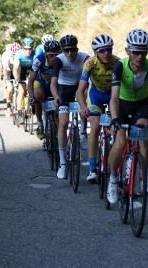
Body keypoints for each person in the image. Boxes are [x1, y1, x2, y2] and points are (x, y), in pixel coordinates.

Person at [106, 29, 148, 204]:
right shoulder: (120, 66)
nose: (140, 56)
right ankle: (113, 180)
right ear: (128, 51)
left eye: (144, 52)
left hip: (141, 106)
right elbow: (113, 97)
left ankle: (143, 178)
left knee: (144, 137)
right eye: (136, 52)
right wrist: (114, 119)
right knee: (120, 143)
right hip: (122, 105)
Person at [76, 34, 120, 183]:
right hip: (96, 95)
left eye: (108, 49)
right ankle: (92, 169)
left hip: (113, 96)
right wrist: (83, 108)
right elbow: (80, 90)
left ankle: (114, 158)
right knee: (95, 127)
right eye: (102, 51)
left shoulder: (118, 63)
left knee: (115, 127)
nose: (106, 53)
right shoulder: (89, 64)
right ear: (95, 53)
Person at [50, 34, 90, 179]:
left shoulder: (86, 58)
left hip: (80, 87)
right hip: (63, 89)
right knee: (63, 123)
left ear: (77, 49)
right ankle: (62, 162)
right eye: (66, 50)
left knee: (85, 103)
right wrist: (56, 98)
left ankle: (83, 131)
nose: (70, 53)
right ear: (62, 51)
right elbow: (53, 83)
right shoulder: (59, 60)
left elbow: (91, 83)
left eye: (72, 50)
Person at [27, 40, 61, 140]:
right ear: (46, 54)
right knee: (38, 95)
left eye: (57, 54)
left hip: (55, 84)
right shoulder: (39, 60)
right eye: (51, 55)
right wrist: (31, 96)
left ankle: (60, 138)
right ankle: (40, 124)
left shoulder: (62, 59)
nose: (54, 58)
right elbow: (30, 81)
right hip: (41, 82)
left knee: (57, 113)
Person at [12, 37, 35, 123]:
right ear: (23, 48)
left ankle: (31, 104)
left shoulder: (35, 53)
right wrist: (16, 79)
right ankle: (19, 113)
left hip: (31, 69)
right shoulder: (19, 54)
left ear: (32, 48)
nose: (28, 51)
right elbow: (15, 68)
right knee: (21, 91)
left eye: (30, 49)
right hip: (21, 69)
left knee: (33, 86)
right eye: (26, 48)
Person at [2, 42, 21, 117]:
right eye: (13, 54)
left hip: (18, 69)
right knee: (9, 89)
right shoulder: (6, 55)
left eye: (16, 54)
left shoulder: (21, 55)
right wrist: (6, 79)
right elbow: (5, 68)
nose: (15, 56)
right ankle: (8, 107)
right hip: (9, 69)